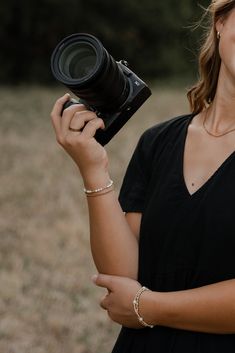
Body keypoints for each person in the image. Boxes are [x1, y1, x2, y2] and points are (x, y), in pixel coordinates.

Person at [50, 0, 235, 351]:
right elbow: (124, 278)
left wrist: (147, 306)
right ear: (221, 21)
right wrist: (93, 169)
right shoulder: (158, 141)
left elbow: (132, 301)